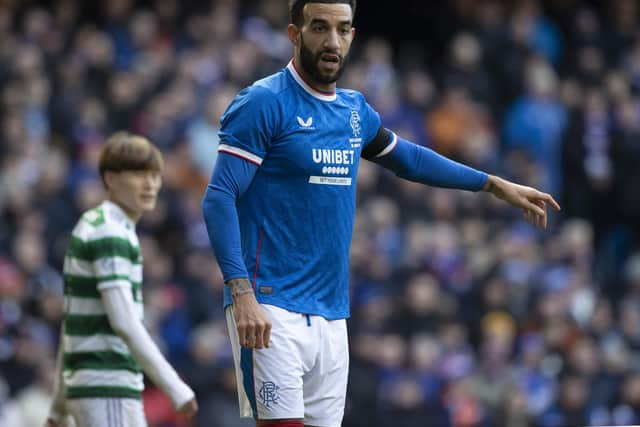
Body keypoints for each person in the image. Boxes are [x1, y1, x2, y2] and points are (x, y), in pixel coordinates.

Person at [201, 1, 560, 426]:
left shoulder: (353, 111)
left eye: (343, 29)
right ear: (295, 34)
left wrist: (492, 183)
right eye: (319, 28)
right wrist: (241, 295)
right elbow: (219, 196)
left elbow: (408, 158)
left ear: (353, 36)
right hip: (270, 304)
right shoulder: (263, 102)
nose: (332, 41)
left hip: (333, 312)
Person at [45, 132, 198, 427]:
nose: (150, 184)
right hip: (107, 385)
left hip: (97, 387)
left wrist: (58, 407)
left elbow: (73, 324)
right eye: (139, 174)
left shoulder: (96, 225)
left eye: (155, 175)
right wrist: (174, 386)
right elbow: (124, 322)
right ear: (111, 179)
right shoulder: (110, 233)